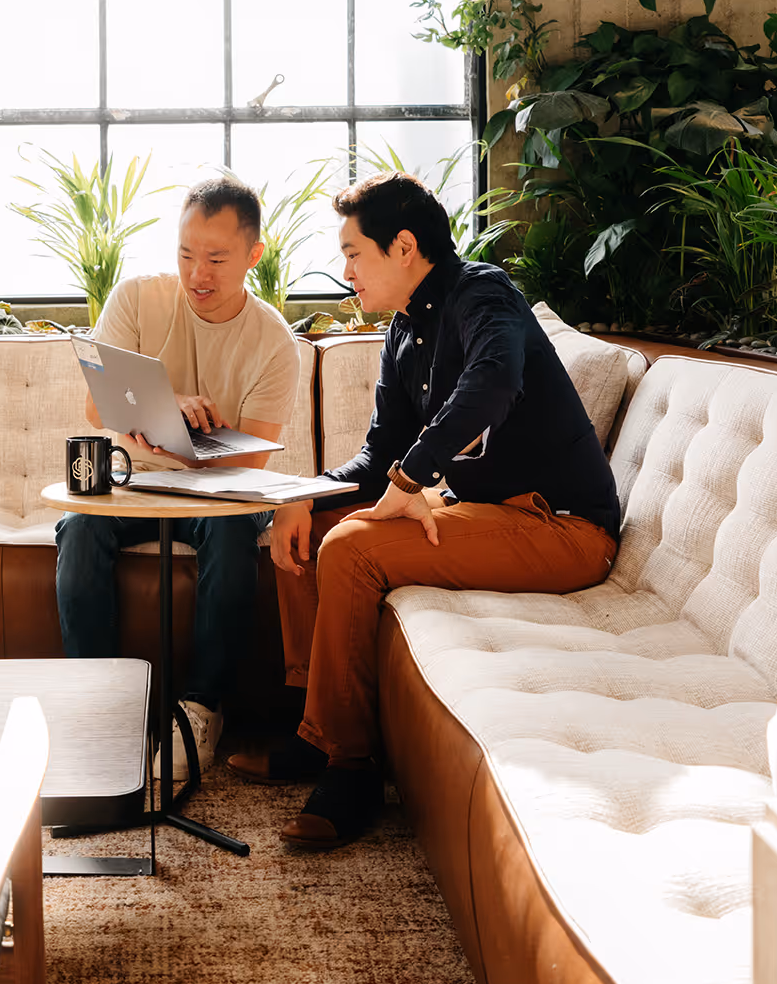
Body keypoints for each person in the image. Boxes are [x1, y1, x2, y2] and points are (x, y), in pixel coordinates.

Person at [228, 171, 620, 848]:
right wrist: (301, 495)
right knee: (308, 526)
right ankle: (315, 730)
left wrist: (413, 478)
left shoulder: (482, 293)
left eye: (354, 253)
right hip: (489, 515)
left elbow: (493, 381)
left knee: (349, 549)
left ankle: (351, 767)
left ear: (404, 247)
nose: (346, 271)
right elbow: (377, 454)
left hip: (562, 528)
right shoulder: (404, 330)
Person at [56, 174, 302, 773]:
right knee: (79, 527)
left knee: (232, 531)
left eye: (216, 259)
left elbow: (250, 461)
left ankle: (200, 707)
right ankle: (102, 703)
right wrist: (164, 409)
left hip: (219, 493)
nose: (198, 274)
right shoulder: (136, 299)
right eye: (186, 255)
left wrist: (182, 435)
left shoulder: (273, 341)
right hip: (135, 479)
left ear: (253, 255)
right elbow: (97, 408)